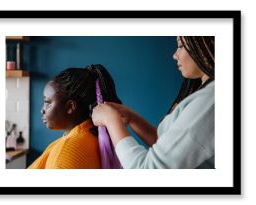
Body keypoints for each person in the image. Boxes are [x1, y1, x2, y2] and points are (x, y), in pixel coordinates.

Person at [92, 36, 215, 169]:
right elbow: (169, 147)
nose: (175, 55)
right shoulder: (207, 95)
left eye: (180, 46)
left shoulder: (211, 101)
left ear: (204, 43)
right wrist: (131, 118)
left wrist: (112, 121)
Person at [28, 64, 121, 169]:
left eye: (47, 102)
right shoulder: (92, 135)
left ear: (70, 107)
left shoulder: (66, 152)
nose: (42, 110)